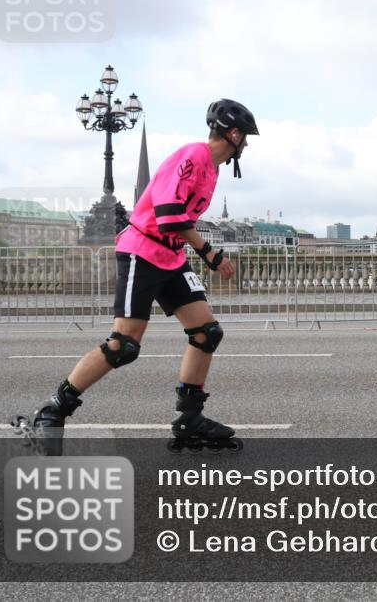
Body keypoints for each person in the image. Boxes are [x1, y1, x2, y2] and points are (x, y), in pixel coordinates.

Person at [28, 99, 258, 453]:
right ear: (233, 133)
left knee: (207, 333)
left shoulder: (213, 169)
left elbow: (181, 220)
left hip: (170, 256)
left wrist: (196, 250)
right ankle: (52, 411)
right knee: (123, 346)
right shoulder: (193, 155)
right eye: (245, 138)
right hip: (142, 251)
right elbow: (167, 214)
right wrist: (210, 253)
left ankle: (189, 418)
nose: (246, 145)